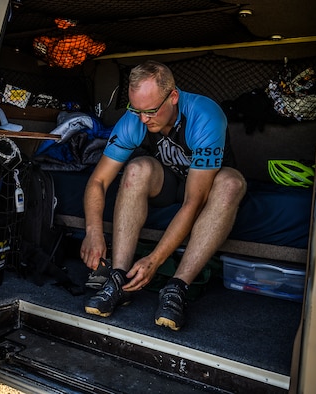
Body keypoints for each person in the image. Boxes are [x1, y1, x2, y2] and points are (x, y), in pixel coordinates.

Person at [81, 60, 246, 330]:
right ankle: (118, 278)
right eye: (137, 110)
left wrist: (154, 261)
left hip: (207, 186)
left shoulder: (205, 115)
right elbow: (98, 180)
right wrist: (93, 231)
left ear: (173, 97)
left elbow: (195, 202)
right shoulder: (136, 118)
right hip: (170, 182)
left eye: (151, 111)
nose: (144, 119)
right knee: (136, 168)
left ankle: (176, 287)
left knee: (231, 183)